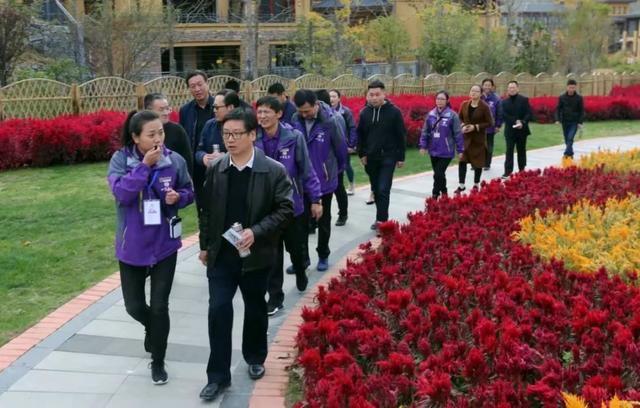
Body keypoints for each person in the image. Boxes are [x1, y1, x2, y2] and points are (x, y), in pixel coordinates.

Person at [197, 108, 294, 401]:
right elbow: (206, 211)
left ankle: (254, 358)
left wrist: (257, 231)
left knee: (254, 308)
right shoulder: (217, 168)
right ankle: (217, 376)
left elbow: (286, 209)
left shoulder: (273, 169)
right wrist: (204, 245)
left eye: (236, 134)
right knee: (218, 311)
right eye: (226, 134)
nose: (230, 140)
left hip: (256, 255)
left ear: (253, 134)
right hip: (222, 256)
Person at [107, 110, 194, 385]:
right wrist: (144, 166)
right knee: (134, 306)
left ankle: (158, 360)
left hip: (164, 244)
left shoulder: (174, 160)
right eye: (151, 134)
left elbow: (190, 191)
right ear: (135, 137)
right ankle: (152, 329)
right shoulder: (121, 160)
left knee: (159, 307)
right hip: (132, 245)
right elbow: (122, 194)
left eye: (161, 132)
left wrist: (178, 197)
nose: (158, 138)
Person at [255, 96, 322, 316]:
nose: (262, 116)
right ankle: (275, 298)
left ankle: (301, 269)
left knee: (296, 248)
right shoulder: (254, 138)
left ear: (279, 114)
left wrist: (316, 199)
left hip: (293, 206)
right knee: (272, 256)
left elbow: (307, 170)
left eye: (267, 112)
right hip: (267, 209)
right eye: (260, 112)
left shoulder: (294, 137)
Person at [291, 89, 347, 272]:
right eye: (301, 111)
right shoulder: (295, 120)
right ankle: (302, 259)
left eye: (307, 110)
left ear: (316, 105)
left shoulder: (330, 122)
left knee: (323, 220)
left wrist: (334, 172)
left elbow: (340, 149)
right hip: (301, 182)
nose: (304, 114)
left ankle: (323, 254)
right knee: (301, 223)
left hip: (324, 181)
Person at [356, 80, 407, 231]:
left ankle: (382, 221)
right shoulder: (364, 113)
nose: (374, 98)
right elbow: (361, 135)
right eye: (371, 95)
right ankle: (380, 215)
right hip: (371, 158)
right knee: (376, 189)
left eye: (377, 94)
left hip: (388, 157)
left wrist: (401, 156)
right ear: (367, 96)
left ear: (384, 94)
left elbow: (401, 135)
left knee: (384, 188)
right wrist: (362, 153)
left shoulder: (394, 112)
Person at [419, 91, 464, 199]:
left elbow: (458, 133)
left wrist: (460, 150)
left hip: (446, 150)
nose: (439, 101)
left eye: (442, 99)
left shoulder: (452, 115)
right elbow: (425, 131)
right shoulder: (431, 114)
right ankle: (444, 192)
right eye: (438, 99)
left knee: (438, 173)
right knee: (439, 174)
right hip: (433, 149)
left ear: (447, 100)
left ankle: (435, 193)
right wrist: (423, 146)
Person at [179, 70, 213, 210]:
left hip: (218, 162)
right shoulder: (186, 110)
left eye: (200, 84)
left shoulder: (219, 106)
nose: (197, 89)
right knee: (202, 207)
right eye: (193, 86)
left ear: (207, 84)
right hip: (196, 166)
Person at [144, 93, 193, 178]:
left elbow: (187, 160)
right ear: (149, 111)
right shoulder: (141, 130)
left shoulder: (177, 130)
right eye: (161, 109)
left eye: (167, 109)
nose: (166, 113)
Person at [456, 85, 494, 192]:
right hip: (466, 139)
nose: (474, 93)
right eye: (472, 90)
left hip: (478, 140)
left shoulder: (484, 106)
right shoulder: (464, 104)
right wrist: (463, 126)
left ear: (481, 93)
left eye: (476, 91)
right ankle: (461, 185)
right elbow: (459, 118)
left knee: (478, 164)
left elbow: (490, 122)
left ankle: (476, 184)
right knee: (462, 161)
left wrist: (475, 127)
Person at [329, 89, 357, 226]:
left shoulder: (344, 112)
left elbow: (352, 128)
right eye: (329, 97)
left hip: (342, 150)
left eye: (334, 96)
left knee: (339, 184)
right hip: (326, 157)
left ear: (339, 98)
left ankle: (343, 213)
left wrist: (351, 145)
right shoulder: (322, 115)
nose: (331, 99)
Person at [195, 90, 240, 168]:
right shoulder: (209, 125)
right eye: (213, 107)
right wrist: (204, 157)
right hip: (213, 174)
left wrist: (226, 157)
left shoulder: (243, 127)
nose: (214, 110)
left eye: (217, 107)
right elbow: (199, 151)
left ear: (230, 107)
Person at [501, 80, 532, 178]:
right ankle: (507, 171)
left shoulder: (524, 100)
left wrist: (522, 122)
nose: (512, 89)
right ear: (507, 89)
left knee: (521, 150)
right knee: (509, 151)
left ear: (517, 88)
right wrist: (515, 121)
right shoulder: (504, 102)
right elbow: (504, 115)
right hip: (510, 130)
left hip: (522, 130)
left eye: (513, 87)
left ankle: (522, 170)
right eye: (510, 88)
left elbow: (529, 113)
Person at [555, 78, 585, 159]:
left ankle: (566, 154)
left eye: (573, 87)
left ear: (575, 88)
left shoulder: (579, 98)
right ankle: (570, 154)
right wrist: (557, 119)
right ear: (567, 87)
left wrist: (580, 122)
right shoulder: (562, 97)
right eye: (570, 87)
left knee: (570, 138)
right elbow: (558, 109)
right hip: (565, 121)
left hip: (574, 122)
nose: (572, 89)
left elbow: (582, 111)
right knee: (567, 140)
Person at [480, 78, 502, 170]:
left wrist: (498, 125)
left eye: (489, 85)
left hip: (490, 127)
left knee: (489, 145)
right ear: (482, 86)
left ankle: (487, 164)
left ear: (492, 87)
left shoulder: (496, 99)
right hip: (479, 127)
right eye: (485, 85)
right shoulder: (479, 97)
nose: (487, 87)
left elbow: (499, 113)